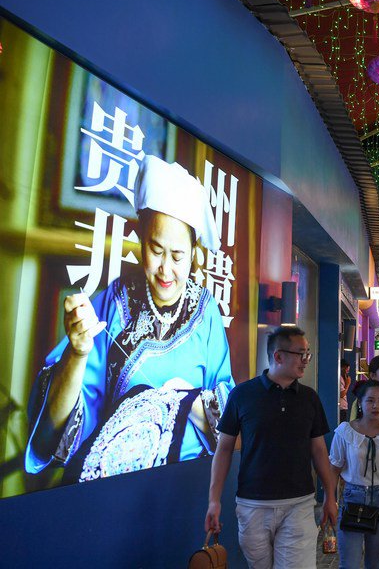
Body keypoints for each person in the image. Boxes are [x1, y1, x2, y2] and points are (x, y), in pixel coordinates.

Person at [26, 155, 234, 483]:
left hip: (184, 485)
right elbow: (62, 428)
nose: (166, 269)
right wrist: (77, 355)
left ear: (195, 252)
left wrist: (186, 403)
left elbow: (232, 421)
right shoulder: (112, 302)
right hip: (114, 485)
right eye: (155, 249)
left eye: (178, 256)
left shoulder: (206, 312)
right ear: (139, 239)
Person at [205, 326, 338, 569]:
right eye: (301, 354)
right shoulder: (242, 395)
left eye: (307, 353)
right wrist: (214, 500)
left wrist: (330, 495)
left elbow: (319, 450)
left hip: (299, 502)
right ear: (278, 356)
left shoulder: (310, 398)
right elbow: (223, 450)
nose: (306, 360)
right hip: (252, 504)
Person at [330, 380, 379, 569]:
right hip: (352, 498)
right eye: (370, 401)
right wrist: (330, 500)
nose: (376, 406)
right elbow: (334, 468)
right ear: (359, 403)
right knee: (349, 563)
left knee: (375, 563)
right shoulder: (345, 431)